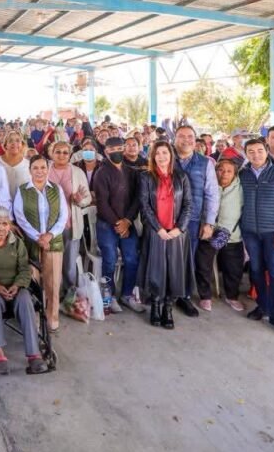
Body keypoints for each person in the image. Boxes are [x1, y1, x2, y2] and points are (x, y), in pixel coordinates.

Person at [0, 207, 47, 375]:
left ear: (9, 225)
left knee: (26, 297)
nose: (1, 228)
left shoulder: (17, 243)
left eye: (5, 224)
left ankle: (34, 354)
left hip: (15, 290)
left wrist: (17, 285)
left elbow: (25, 269)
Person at [238, 138, 274, 336]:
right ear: (246, 153)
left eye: (259, 150)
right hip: (250, 232)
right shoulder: (243, 174)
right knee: (255, 271)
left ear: (266, 151)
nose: (256, 155)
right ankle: (262, 306)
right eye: (251, 151)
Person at [137, 142, 194, 330]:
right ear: (152, 156)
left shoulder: (182, 177)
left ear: (171, 155)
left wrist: (180, 228)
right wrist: (158, 229)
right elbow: (144, 206)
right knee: (156, 270)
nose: (162, 157)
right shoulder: (145, 177)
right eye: (158, 153)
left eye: (165, 153)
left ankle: (168, 307)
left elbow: (188, 205)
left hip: (177, 233)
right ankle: (155, 305)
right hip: (156, 232)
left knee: (174, 271)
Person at [13, 155, 68, 332]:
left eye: (43, 168)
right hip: (31, 243)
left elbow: (63, 216)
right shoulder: (22, 190)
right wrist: (38, 237)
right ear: (30, 171)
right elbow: (20, 218)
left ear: (48, 169)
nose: (39, 171)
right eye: (35, 168)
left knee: (53, 283)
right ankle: (33, 319)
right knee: (32, 283)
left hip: (53, 242)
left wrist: (49, 236)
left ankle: (52, 318)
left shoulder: (56, 190)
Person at [91, 136, 143, 313]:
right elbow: (102, 203)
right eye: (112, 150)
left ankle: (127, 295)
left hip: (127, 222)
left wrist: (127, 221)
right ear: (106, 152)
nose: (116, 152)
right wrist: (117, 223)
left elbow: (137, 198)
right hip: (107, 224)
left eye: (119, 148)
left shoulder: (131, 172)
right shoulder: (101, 173)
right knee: (110, 259)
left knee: (132, 258)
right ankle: (110, 296)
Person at [172, 125, 218, 318]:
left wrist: (209, 222)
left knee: (187, 258)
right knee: (163, 256)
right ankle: (164, 293)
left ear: (195, 140)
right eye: (181, 136)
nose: (186, 140)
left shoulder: (205, 163)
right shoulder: (166, 158)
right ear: (175, 139)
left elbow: (212, 194)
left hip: (192, 219)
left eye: (190, 136)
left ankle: (184, 296)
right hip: (166, 219)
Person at [195, 157, 246, 312]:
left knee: (234, 268)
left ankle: (232, 296)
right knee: (203, 265)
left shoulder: (241, 188)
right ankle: (205, 296)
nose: (224, 174)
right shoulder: (208, 185)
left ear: (235, 174)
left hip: (232, 234)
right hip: (208, 232)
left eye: (229, 171)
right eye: (220, 170)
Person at [48, 141, 92, 291]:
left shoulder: (77, 172)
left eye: (65, 152)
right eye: (58, 152)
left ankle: (70, 295)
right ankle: (51, 294)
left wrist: (79, 200)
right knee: (49, 263)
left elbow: (87, 199)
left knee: (69, 264)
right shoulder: (45, 169)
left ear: (70, 155)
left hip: (70, 224)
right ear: (51, 153)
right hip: (48, 226)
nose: (61, 155)